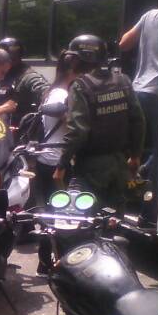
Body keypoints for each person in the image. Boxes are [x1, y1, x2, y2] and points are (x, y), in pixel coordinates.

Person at [55, 34, 144, 208]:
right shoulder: (123, 81)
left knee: (84, 219)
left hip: (91, 169)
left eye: (72, 59)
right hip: (119, 165)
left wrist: (61, 165)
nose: (71, 63)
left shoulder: (80, 86)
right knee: (115, 218)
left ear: (82, 59)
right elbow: (138, 120)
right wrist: (135, 155)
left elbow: (78, 131)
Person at [119, 8, 158, 223]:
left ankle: (118, 203)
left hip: (138, 92)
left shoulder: (148, 15)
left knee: (133, 149)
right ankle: (148, 213)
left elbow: (124, 43)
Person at [35, 50, 79, 199]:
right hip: (57, 160)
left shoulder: (52, 92)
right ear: (72, 71)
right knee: (62, 208)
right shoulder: (62, 95)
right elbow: (74, 126)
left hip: (48, 158)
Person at [0, 37, 49, 138]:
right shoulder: (1, 74)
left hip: (20, 135)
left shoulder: (28, 76)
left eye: (14, 58)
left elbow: (47, 92)